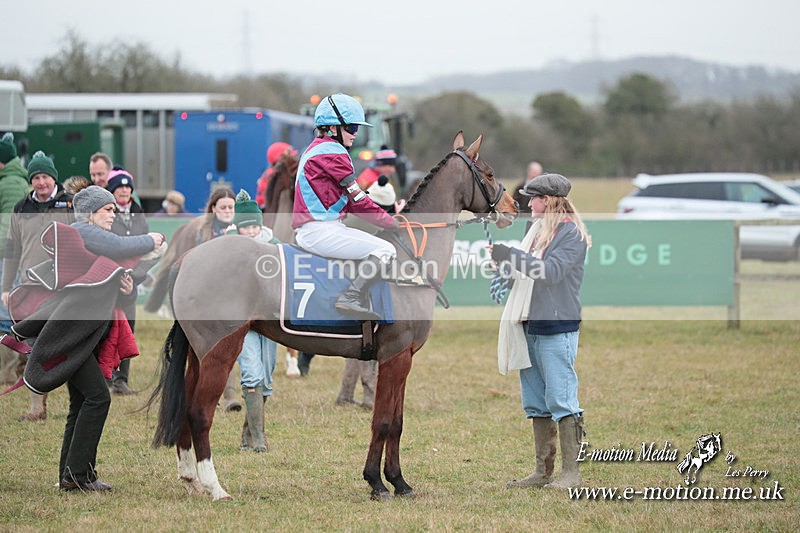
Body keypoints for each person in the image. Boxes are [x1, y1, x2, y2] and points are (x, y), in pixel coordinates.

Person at [59, 184, 163, 491]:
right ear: (90, 213)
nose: (112, 214)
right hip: (73, 333)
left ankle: (76, 474)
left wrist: (127, 280)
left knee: (80, 402)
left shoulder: (87, 237)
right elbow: (119, 247)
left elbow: (109, 269)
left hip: (81, 332)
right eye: (107, 210)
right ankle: (77, 476)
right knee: (98, 397)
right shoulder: (81, 230)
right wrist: (152, 240)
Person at [490, 173, 590, 490]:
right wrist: (503, 267)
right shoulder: (534, 231)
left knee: (561, 398)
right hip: (529, 322)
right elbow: (526, 270)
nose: (527, 203)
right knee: (536, 401)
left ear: (546, 201)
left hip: (556, 326)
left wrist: (512, 256)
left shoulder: (570, 233)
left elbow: (550, 272)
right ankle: (542, 473)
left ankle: (571, 474)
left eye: (532, 198)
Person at [292, 93, 399, 321]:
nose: (356, 133)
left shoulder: (317, 148)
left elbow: (351, 201)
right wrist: (391, 222)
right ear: (332, 127)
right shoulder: (333, 153)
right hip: (321, 230)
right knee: (386, 250)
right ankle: (350, 297)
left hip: (319, 228)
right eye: (351, 127)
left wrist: (383, 212)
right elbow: (358, 201)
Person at [2, 151, 74, 421]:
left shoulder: (70, 204)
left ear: (53, 177)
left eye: (45, 176)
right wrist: (7, 286)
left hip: (63, 285)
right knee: (33, 344)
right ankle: (36, 407)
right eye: (36, 177)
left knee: (67, 343)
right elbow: (12, 249)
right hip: (31, 286)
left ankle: (76, 398)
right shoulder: (21, 207)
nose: (41, 182)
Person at [226, 190, 279, 451]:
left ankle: (248, 436)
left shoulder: (275, 245)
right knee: (252, 374)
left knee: (267, 378)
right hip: (242, 322)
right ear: (237, 227)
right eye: (245, 226)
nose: (251, 231)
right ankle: (259, 440)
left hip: (269, 321)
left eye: (254, 225)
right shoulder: (226, 248)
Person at [105, 167, 149, 395]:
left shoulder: (139, 213)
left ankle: (122, 378)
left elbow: (149, 250)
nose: (124, 190)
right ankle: (106, 376)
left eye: (127, 186)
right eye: (119, 187)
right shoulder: (106, 214)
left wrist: (136, 275)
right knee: (106, 327)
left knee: (127, 329)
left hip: (131, 282)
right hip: (108, 280)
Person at [0, 133, 31, 382]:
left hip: (7, 254)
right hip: (19, 254)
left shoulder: (8, 183)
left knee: (5, 313)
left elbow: (6, 227)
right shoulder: (16, 179)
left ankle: (8, 371)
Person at [256, 142, 297, 210]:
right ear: (280, 158)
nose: (293, 158)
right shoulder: (274, 175)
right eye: (289, 155)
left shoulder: (270, 174)